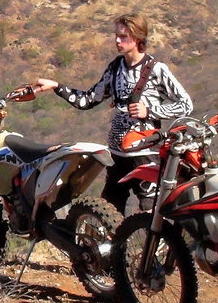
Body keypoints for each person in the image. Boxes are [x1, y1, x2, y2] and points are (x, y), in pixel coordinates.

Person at [28, 12, 193, 212]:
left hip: (145, 154)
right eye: (116, 35)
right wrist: (55, 86)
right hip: (117, 154)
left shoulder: (157, 69)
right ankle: (115, 244)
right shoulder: (115, 68)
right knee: (108, 211)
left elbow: (185, 104)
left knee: (152, 213)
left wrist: (149, 110)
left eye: (123, 36)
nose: (117, 40)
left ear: (138, 38)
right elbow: (87, 100)